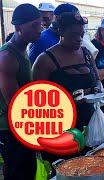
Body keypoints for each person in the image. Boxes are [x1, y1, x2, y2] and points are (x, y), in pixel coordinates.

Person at [0, 4, 42, 179]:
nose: (39, 29)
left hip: (23, 125)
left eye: (39, 25)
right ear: (18, 28)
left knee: (29, 171)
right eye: (33, 25)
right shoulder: (7, 57)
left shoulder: (22, 50)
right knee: (18, 174)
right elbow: (16, 105)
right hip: (11, 130)